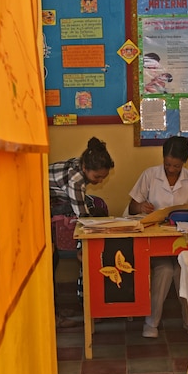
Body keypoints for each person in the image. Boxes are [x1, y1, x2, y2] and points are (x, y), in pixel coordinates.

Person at [127, 136, 188, 337]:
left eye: (176, 166)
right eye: (168, 164)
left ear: (184, 163)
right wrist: (141, 206)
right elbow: (132, 206)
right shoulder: (150, 175)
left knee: (183, 270)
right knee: (165, 270)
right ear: (162, 159)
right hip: (155, 239)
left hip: (181, 238)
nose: (171, 169)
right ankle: (151, 323)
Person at [49, 137, 114, 327]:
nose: (99, 181)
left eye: (103, 178)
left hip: (44, 205)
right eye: (97, 177)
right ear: (86, 168)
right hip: (31, 205)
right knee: (49, 264)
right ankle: (53, 316)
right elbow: (83, 218)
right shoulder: (76, 179)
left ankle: (55, 310)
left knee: (53, 261)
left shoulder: (79, 167)